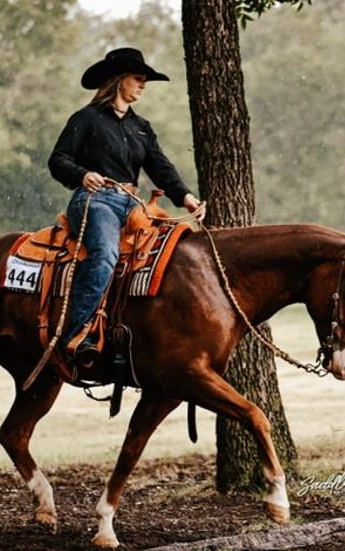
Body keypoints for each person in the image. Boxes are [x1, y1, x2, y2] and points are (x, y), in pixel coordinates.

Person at [48, 47, 205, 365]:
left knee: (166, 257)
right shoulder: (86, 119)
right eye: (138, 78)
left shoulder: (141, 127)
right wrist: (83, 175)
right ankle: (75, 334)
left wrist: (186, 198)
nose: (143, 84)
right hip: (94, 200)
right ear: (119, 80)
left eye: (144, 79)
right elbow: (58, 160)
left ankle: (130, 336)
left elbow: (160, 167)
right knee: (106, 254)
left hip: (133, 206)